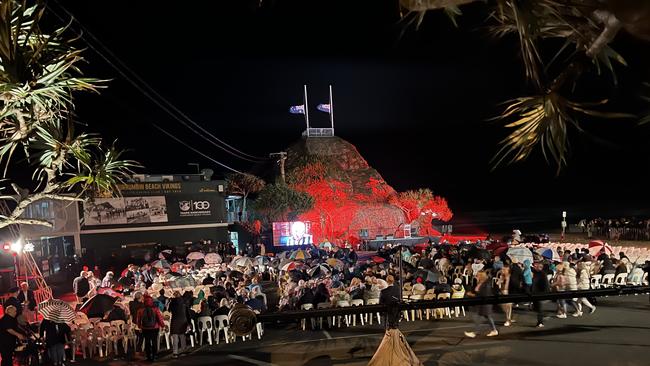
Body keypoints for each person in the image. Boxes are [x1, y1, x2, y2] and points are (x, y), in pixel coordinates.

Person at [464, 271, 498, 338]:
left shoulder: (486, 284)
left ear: (482, 276)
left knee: (478, 318)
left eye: (478, 275)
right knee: (487, 317)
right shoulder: (480, 283)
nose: (477, 276)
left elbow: (483, 294)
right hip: (482, 303)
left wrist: (471, 294)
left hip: (485, 304)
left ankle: (475, 332)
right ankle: (494, 330)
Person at [136, 295, 165, 362]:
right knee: (154, 341)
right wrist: (163, 326)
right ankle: (154, 355)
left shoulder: (140, 310)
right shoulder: (156, 309)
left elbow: (138, 320)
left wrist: (139, 327)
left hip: (145, 328)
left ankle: (148, 356)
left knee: (147, 342)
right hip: (155, 328)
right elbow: (160, 319)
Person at [168, 291, 191, 358]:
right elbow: (187, 313)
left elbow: (169, 310)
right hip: (183, 320)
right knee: (182, 335)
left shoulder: (172, 302)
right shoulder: (184, 302)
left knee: (175, 336)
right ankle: (184, 350)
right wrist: (189, 322)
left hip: (175, 320)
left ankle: (175, 353)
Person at [532, 262, 550, 327]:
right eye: (536, 266)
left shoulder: (542, 274)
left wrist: (544, 292)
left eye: (538, 266)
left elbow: (545, 284)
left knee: (539, 308)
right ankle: (542, 318)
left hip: (540, 293)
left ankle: (540, 322)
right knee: (536, 308)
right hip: (535, 293)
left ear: (541, 267)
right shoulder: (535, 273)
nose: (536, 267)